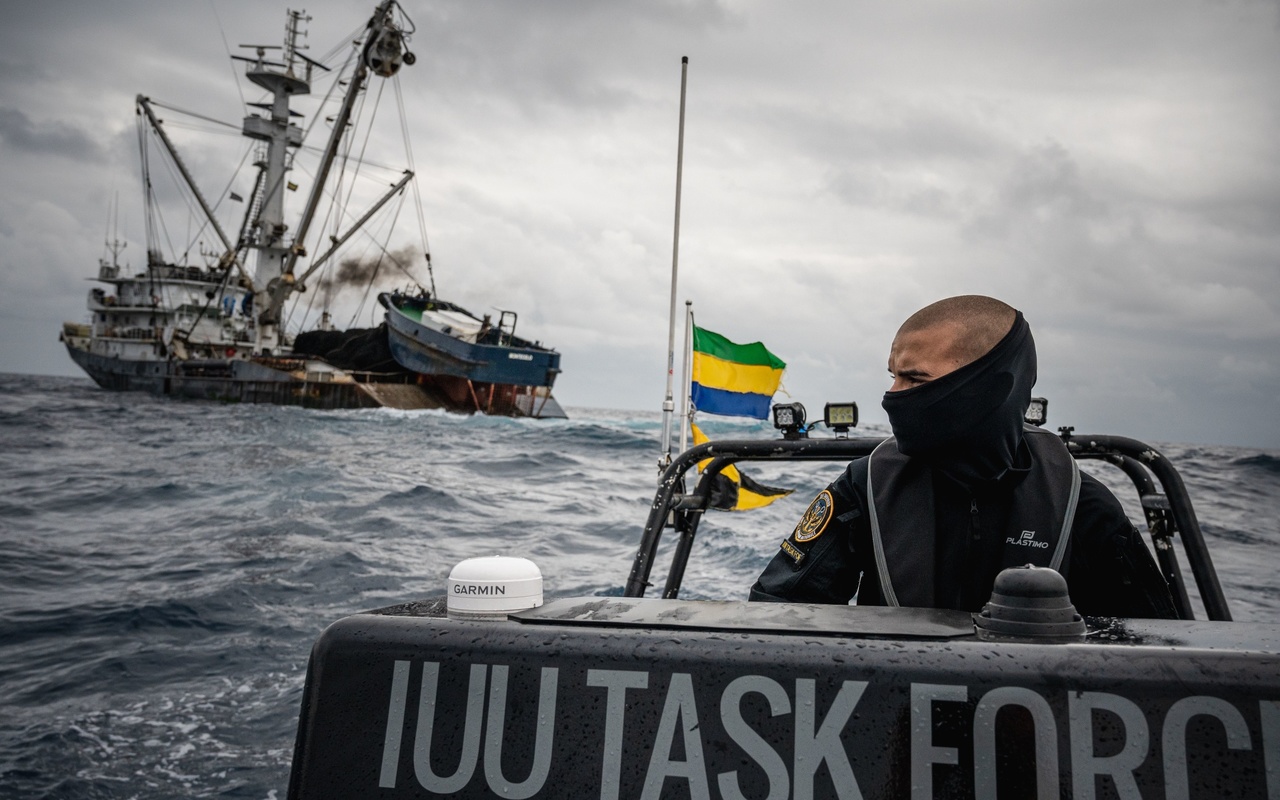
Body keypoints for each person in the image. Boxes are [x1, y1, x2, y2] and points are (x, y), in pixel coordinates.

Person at [749, 295, 1177, 618]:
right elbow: (777, 611)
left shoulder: (1081, 506)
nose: (891, 397)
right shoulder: (866, 486)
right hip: (892, 712)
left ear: (989, 389)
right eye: (893, 376)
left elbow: (1155, 650)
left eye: (914, 378)